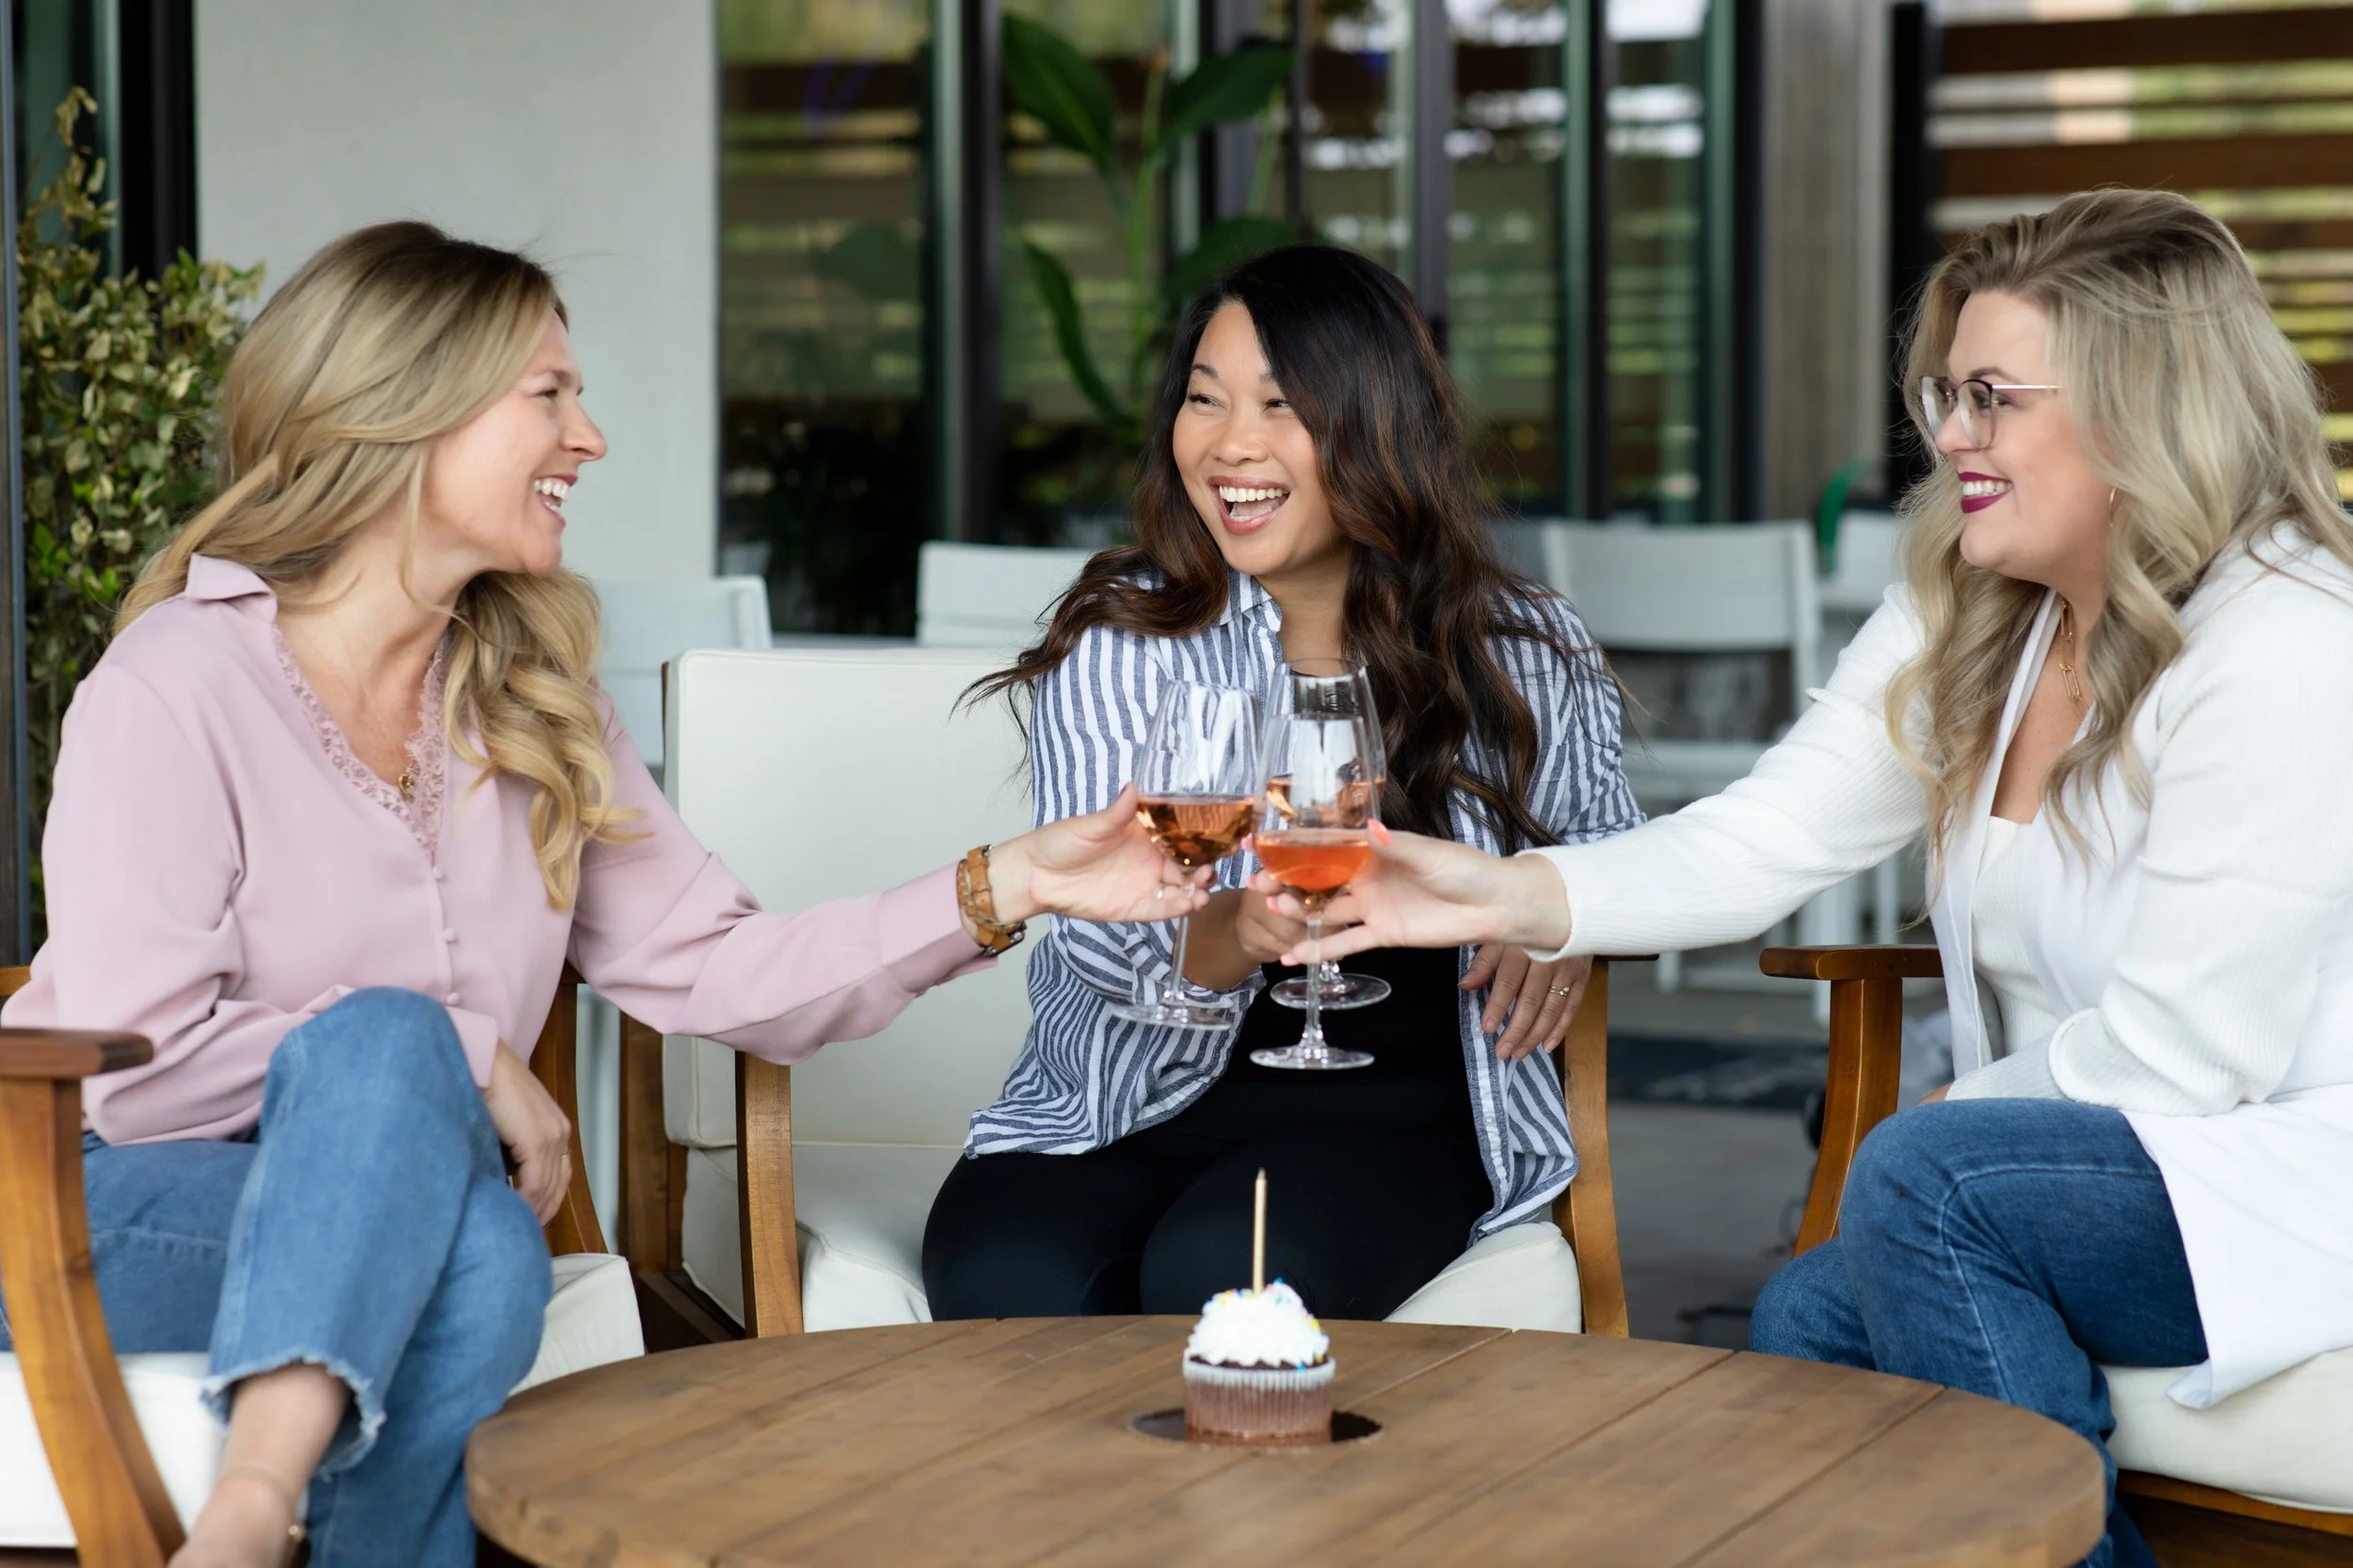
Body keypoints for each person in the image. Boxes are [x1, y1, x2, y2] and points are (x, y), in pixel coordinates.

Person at [0, 222, 1209, 1568]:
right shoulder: (178, 682)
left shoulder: (529, 702)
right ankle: (243, 1519)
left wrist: (1012, 879)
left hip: (415, 1211)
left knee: (484, 1254)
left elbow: (730, 972)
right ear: (408, 410)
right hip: (100, 1204)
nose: (591, 438)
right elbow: (132, 1074)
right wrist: (464, 1052)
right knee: (404, 1054)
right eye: (549, 396)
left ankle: (245, 1520)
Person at [1256, 189, 2353, 1568]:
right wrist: (1493, 890)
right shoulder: (1977, 602)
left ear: (2148, 410)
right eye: (1947, 393)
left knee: (1920, 1179)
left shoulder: (2288, 640)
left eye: (1994, 398)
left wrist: (1958, 1116)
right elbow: (1764, 837)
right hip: (2088, 1170)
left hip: (2295, 1177)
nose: (1952, 435)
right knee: (1807, 1326)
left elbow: (2189, 1056)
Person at [920, 245, 1641, 1323]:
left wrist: (1563, 914)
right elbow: (1105, 950)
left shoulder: (1520, 645)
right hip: (1123, 1099)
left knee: (1225, 1282)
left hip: (1387, 1123)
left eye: (1280, 405)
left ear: (1376, 427)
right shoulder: (1129, 640)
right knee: (1000, 1281)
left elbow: (1624, 861)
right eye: (1204, 401)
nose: (1230, 444)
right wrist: (1235, 935)